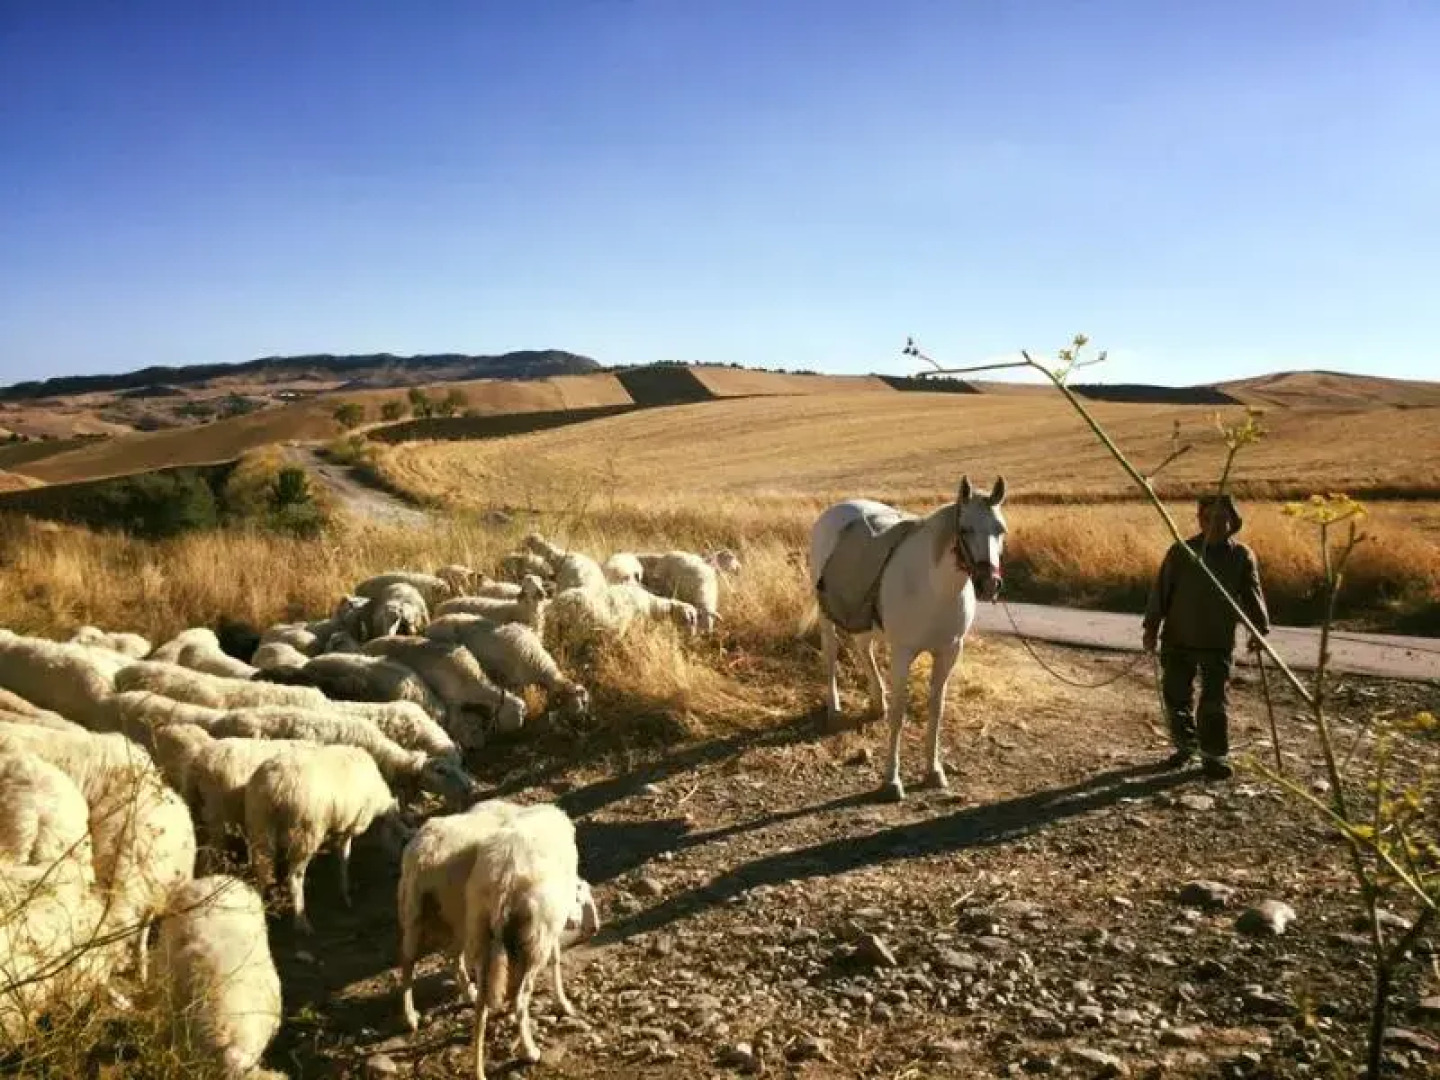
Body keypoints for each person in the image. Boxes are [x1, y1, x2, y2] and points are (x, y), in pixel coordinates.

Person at [1141, 491, 1271, 780]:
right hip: (1177, 639)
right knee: (1176, 698)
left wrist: (1258, 630)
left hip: (1217, 641)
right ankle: (1186, 747)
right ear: (1199, 520)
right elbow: (1160, 593)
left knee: (1213, 703)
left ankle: (1214, 757)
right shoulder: (1181, 552)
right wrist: (1151, 628)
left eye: (1221, 518)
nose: (1213, 523)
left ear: (1232, 521)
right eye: (1207, 517)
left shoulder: (1241, 556)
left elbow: (1252, 596)